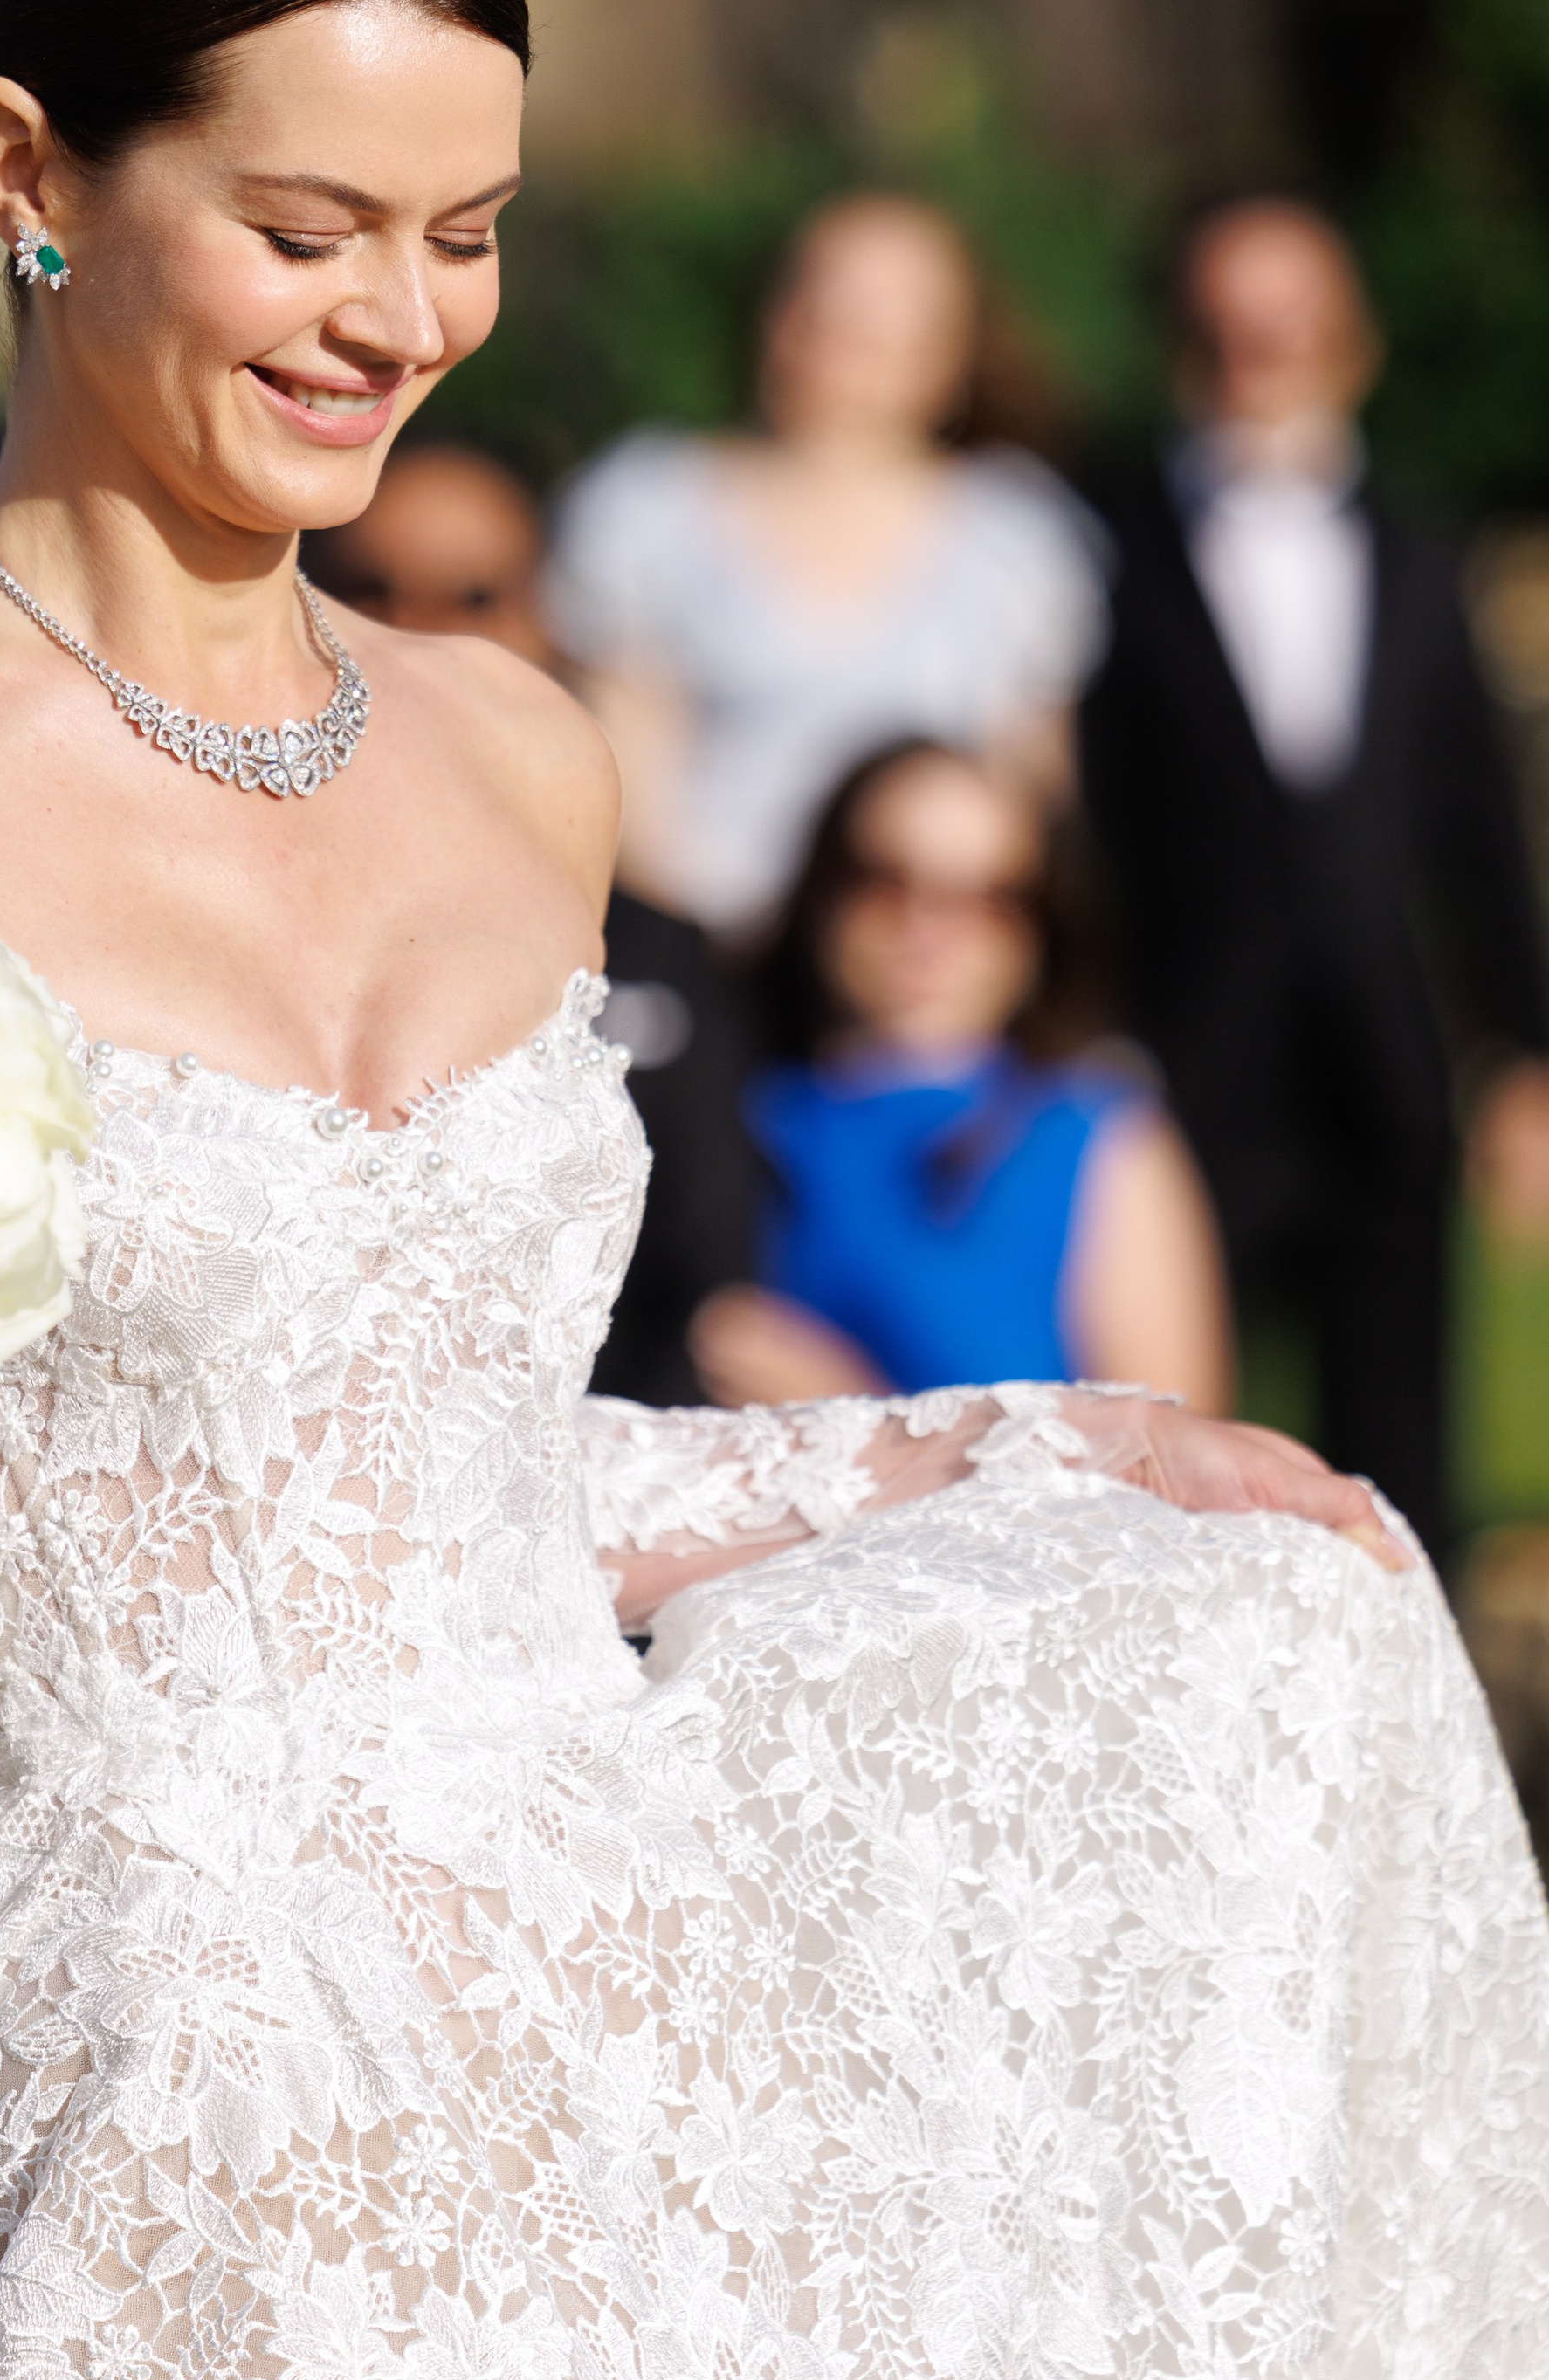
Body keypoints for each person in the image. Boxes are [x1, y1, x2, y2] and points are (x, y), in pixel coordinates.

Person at [0, 0, 1547, 2380]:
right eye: (305, 226)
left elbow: (460, 1496)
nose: (400, 317)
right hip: (177, 2111)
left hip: (639, 2047)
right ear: (25, 169)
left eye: (464, 229)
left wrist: (1045, 1448)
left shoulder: (521, 750)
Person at [1080, 196, 1549, 1564]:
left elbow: (1475, 820)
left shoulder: (1419, 549)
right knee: (1167, 1437)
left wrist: (1525, 1049)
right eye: (1229, 322)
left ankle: (1415, 1737)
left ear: (1353, 342)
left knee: (1404, 1446)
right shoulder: (1109, 543)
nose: (1261, 350)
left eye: (1292, 320)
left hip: (1385, 1066)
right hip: (1178, 1062)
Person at [310, 441, 759, 1402]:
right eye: (364, 586)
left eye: (470, 596)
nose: (412, 628)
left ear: (545, 622)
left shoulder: (647, 945)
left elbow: (714, 1267)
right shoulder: (224, 904)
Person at [544, 189, 1105, 939]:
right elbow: (619, 787)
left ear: (954, 346)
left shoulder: (1021, 537)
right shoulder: (645, 508)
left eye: (889, 307)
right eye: (823, 290)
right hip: (706, 959)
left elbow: (1030, 793)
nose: (846, 328)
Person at [689, 737, 1232, 1419]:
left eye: (990, 898)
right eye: (886, 880)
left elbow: (1174, 1461)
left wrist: (858, 1418)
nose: (929, 929)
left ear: (1043, 925)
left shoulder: (1099, 1134)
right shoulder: (735, 1103)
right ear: (824, 885)